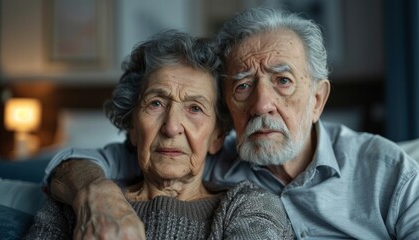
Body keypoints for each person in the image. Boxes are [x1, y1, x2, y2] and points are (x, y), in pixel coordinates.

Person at [44, 7, 419, 239]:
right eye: (243, 85)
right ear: (227, 109)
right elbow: (75, 162)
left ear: (317, 99)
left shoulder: (386, 170)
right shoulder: (201, 155)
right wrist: (97, 192)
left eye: (283, 80)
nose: (262, 103)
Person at [25, 30, 293, 239]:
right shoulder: (81, 204)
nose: (171, 126)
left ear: (217, 137)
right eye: (156, 103)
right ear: (132, 126)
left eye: (195, 108)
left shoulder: (250, 206)